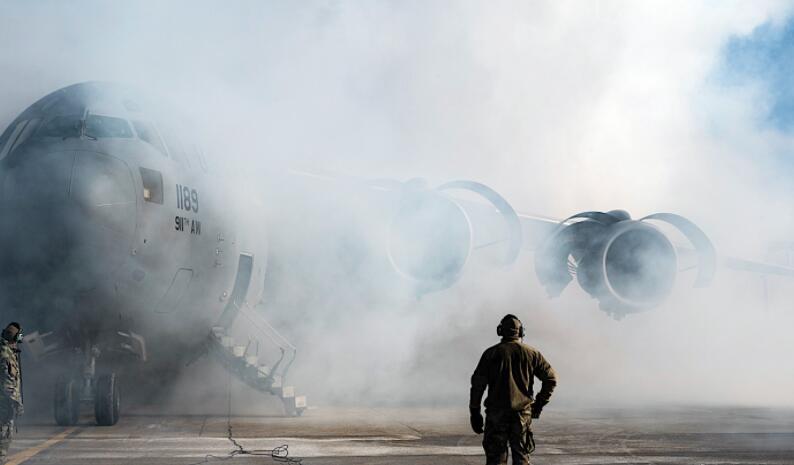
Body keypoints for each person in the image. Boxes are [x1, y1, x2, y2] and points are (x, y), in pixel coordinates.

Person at [469, 314, 557, 465]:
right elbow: (551, 379)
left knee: (495, 460)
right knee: (522, 458)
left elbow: (478, 386)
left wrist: (475, 413)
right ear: (521, 331)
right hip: (522, 416)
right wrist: (538, 405)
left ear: (500, 331)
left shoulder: (490, 354)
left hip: (496, 416)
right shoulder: (532, 354)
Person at [0, 322, 22, 464]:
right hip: (4, 402)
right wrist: (17, 403)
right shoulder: (5, 354)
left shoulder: (7, 351)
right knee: (4, 432)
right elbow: (7, 382)